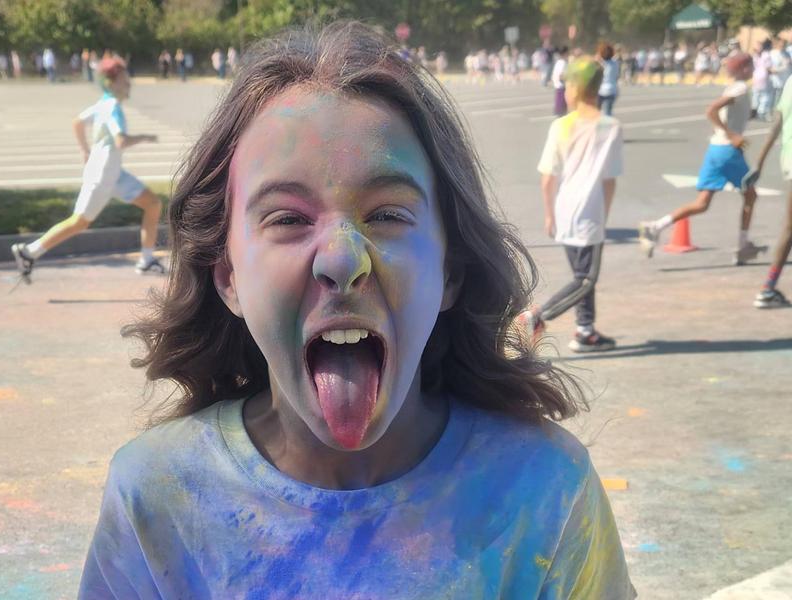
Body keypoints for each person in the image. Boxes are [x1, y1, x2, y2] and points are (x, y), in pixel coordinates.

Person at [77, 22, 635, 599]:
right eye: (288, 218)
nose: (343, 261)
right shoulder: (156, 497)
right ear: (229, 278)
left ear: (450, 270)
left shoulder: (545, 494)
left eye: (388, 214)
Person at [11, 57, 165, 282]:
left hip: (114, 174)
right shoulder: (112, 107)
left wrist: (85, 151)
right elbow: (120, 141)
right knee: (79, 222)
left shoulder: (103, 103)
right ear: (111, 83)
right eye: (124, 80)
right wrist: (146, 137)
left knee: (153, 203)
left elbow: (77, 122)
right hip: (102, 176)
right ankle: (28, 252)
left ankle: (146, 260)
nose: (129, 84)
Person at [523, 56, 623, 352]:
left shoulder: (561, 126)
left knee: (581, 275)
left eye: (567, 86)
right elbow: (609, 179)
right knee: (586, 279)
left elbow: (547, 176)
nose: (564, 92)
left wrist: (550, 213)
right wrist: (604, 215)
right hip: (589, 212)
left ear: (577, 88)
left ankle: (585, 331)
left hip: (565, 209)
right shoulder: (610, 126)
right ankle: (537, 316)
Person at [639, 52, 763, 265]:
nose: (754, 70)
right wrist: (731, 134)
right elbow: (712, 110)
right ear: (743, 69)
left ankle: (655, 227)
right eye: (751, 66)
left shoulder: (735, 87)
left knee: (702, 203)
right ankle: (743, 245)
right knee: (750, 195)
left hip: (716, 148)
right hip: (727, 151)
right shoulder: (741, 88)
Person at [750, 75, 792, 308]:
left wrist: (759, 161)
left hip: (789, 162)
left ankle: (768, 288)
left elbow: (777, 121)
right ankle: (767, 289)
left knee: (789, 227)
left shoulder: (790, 82)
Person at [597, 41, 619, 116]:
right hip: (612, 90)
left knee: (595, 112)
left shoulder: (599, 64)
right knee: (608, 113)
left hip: (600, 90)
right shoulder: (615, 63)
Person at [551, 46, 569, 117]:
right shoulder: (563, 63)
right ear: (565, 53)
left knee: (560, 111)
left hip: (558, 87)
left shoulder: (558, 62)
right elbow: (561, 76)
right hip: (562, 88)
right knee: (562, 112)